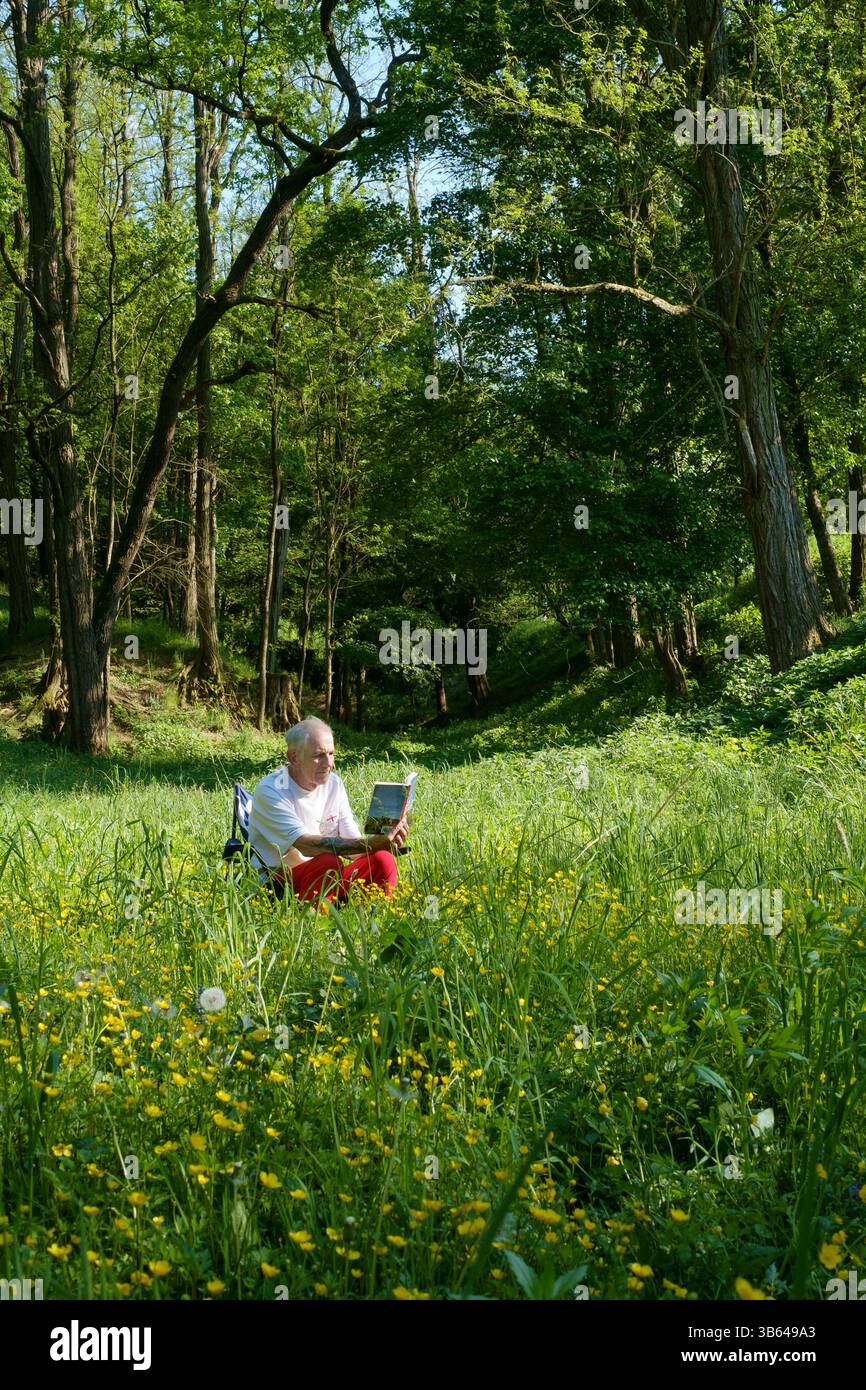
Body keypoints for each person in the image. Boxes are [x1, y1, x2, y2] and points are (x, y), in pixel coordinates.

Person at [248, 717, 409, 906]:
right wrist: (369, 844)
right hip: (280, 884)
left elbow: (355, 847)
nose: (329, 763)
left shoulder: (334, 784)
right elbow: (307, 846)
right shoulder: (271, 789)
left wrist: (385, 839)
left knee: (383, 859)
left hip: (326, 879)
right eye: (319, 755)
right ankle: (320, 925)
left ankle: (375, 917)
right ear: (293, 757)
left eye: (331, 753)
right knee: (328, 863)